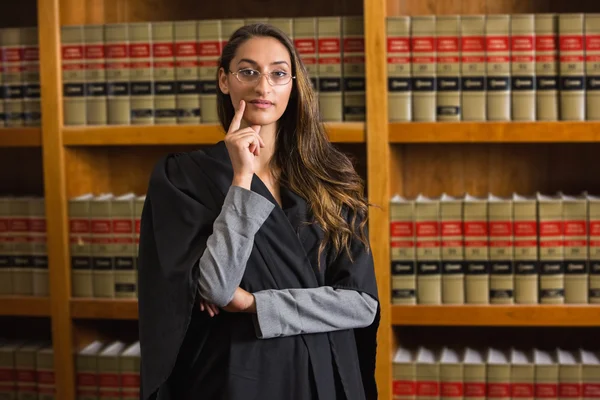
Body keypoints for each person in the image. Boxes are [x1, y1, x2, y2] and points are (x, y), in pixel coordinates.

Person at [137, 23, 380, 400]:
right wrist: (241, 179)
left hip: (324, 375)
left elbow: (361, 305)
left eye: (278, 73)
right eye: (248, 71)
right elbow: (216, 288)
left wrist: (254, 304)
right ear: (224, 80)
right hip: (237, 378)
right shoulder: (182, 177)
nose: (263, 86)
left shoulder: (331, 178)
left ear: (293, 85)